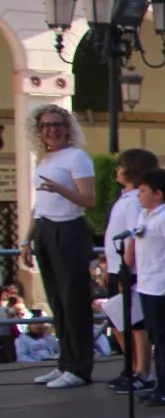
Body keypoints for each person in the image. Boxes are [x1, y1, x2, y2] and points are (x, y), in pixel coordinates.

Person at [21, 105, 98, 389]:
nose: (50, 130)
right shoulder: (44, 159)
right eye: (44, 125)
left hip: (68, 229)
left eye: (55, 124)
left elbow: (88, 200)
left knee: (74, 301)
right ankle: (64, 363)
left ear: (67, 128)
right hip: (44, 228)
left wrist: (59, 189)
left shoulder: (76, 157)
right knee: (56, 300)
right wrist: (26, 239)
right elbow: (38, 204)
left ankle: (79, 368)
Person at [100, 148, 158, 392]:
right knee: (120, 322)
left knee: (135, 324)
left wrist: (127, 268)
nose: (117, 170)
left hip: (127, 269)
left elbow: (134, 236)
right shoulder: (126, 198)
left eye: (122, 165)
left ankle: (142, 371)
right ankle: (131, 367)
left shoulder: (135, 201)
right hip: (116, 267)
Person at [131, 169, 165, 408]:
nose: (139, 195)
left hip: (162, 286)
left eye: (143, 191)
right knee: (154, 337)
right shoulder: (145, 216)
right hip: (145, 285)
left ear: (158, 193)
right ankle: (160, 385)